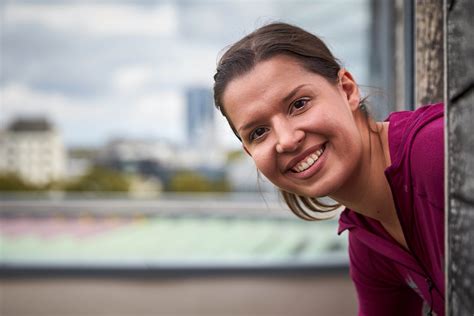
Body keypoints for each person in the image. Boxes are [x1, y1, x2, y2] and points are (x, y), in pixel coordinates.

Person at [213, 23, 444, 316]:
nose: (286, 140)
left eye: (299, 104)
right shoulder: (368, 239)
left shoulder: (437, 154)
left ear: (347, 90)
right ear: (249, 151)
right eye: (258, 132)